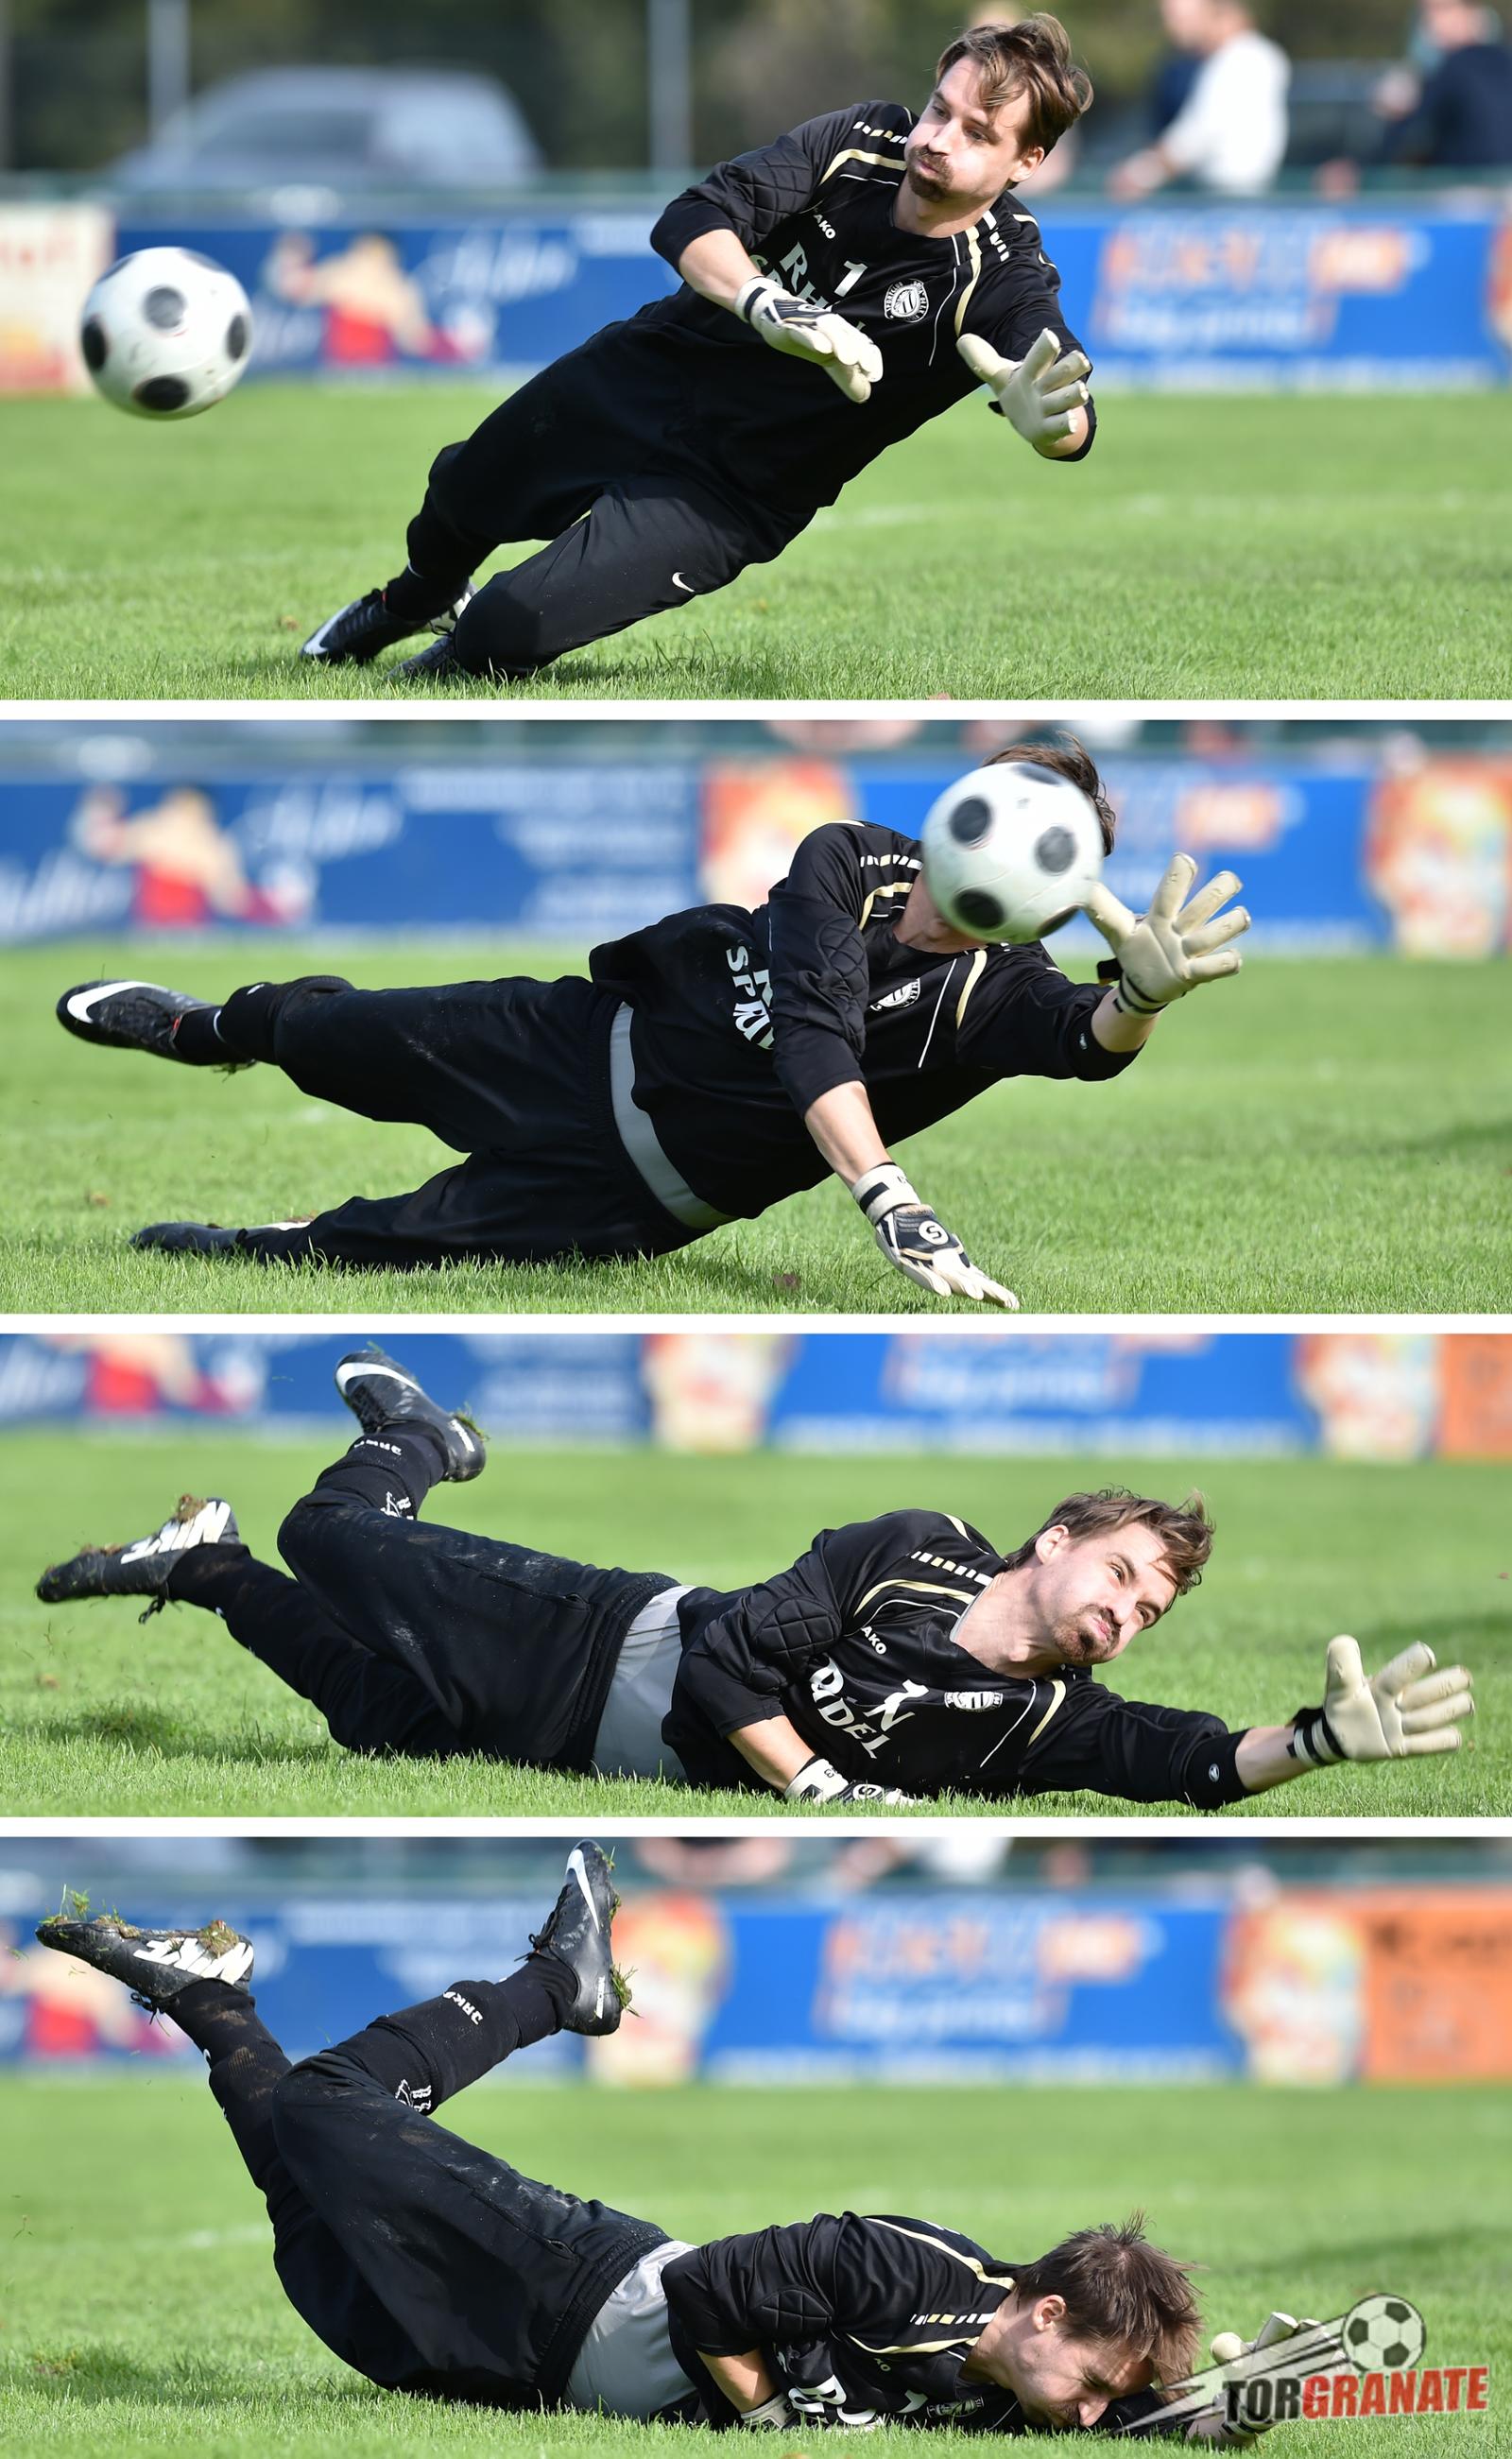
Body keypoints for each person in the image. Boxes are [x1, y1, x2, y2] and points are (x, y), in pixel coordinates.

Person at [35, 1844, 1286, 2439]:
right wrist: (773, 2417)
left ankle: (210, 1998)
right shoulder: (903, 2266)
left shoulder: (1017, 2391)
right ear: (1048, 2313)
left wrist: (1232, 2407)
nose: (1088, 2416)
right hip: (569, 2277)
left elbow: (1139, 2426)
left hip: (528, 2373)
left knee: (308, 2211)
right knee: (324, 2108)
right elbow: (703, 2293)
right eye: (1094, 2384)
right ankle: (557, 1982)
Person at [53, 739, 1250, 1309]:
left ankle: (256, 1244)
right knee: (325, 1035)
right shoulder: (847, 856)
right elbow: (813, 1037)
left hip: (636, 1198)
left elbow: (1084, 1042)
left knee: (365, 1250)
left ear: (1052, 890)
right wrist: (889, 1195)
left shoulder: (1003, 990)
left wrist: (1138, 999)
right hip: (574, 1041)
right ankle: (204, 1028)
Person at [34, 1347, 1476, 1811]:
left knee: (369, 1712)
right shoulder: (914, 1545)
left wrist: (1316, 1740)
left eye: (1149, 1609)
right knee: (335, 1536)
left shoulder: (1054, 1720)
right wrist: (816, 1782)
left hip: (572, 1750)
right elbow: (728, 1660)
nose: (1126, 1611)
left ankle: (204, 1561)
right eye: (1122, 1573)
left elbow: (1192, 1762)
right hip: (600, 1641)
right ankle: (418, 1439)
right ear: (1055, 1540)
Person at [296, 18, 1098, 687]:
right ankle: (417, 598)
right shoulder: (861, 139)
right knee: (462, 492)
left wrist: (1049, 424)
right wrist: (762, 301)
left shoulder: (1003, 272)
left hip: (735, 488)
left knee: (510, 626)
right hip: (654, 370)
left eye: (977, 133)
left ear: (1028, 162)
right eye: (939, 110)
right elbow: (693, 215)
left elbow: (1066, 398)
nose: (939, 139)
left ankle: (458, 651)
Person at [1108, 0, 1290, 198]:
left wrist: (1141, 173)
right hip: (1223, 196)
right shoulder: (1217, 61)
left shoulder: (1244, 59)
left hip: (1230, 198)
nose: (1171, 27)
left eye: (1181, 18)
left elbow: (1198, 136)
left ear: (1216, 13)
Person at [1381, 0, 1512, 169]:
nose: (1429, 20)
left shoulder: (1454, 67)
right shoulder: (1502, 59)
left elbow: (1402, 142)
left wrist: (1396, 116)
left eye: (1440, 10)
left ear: (1471, 11)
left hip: (1468, 181)